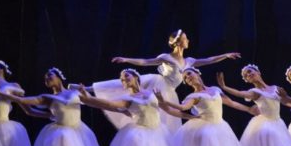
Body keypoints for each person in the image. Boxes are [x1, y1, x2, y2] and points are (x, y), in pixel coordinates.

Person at [94, 30, 240, 132]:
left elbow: (208, 60)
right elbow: (146, 62)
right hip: (159, 85)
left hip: (170, 91)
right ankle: (90, 89)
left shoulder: (189, 61)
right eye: (185, 38)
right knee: (122, 86)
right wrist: (126, 59)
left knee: (168, 121)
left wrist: (225, 55)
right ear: (178, 42)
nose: (188, 40)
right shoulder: (166, 57)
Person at [73, 69, 192, 146]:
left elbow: (169, 110)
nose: (124, 80)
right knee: (138, 142)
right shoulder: (128, 99)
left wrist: (190, 117)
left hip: (157, 129)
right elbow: (109, 104)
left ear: (136, 77)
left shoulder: (152, 93)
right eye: (122, 79)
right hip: (140, 129)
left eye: (126, 76)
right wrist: (87, 99)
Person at [0, 68, 111, 146]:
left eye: (50, 75)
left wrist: (118, 109)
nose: (47, 78)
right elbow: (24, 101)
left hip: (78, 129)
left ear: (59, 77)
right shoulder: (47, 98)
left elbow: (94, 102)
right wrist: (2, 94)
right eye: (45, 78)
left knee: (71, 143)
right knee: (63, 137)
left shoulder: (75, 92)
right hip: (60, 128)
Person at [156, 67, 256, 146]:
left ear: (197, 73)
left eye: (189, 74)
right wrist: (163, 101)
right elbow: (182, 107)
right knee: (209, 136)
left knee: (221, 142)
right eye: (185, 78)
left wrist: (248, 109)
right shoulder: (194, 96)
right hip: (204, 124)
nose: (188, 77)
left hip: (219, 124)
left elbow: (232, 103)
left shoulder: (215, 90)